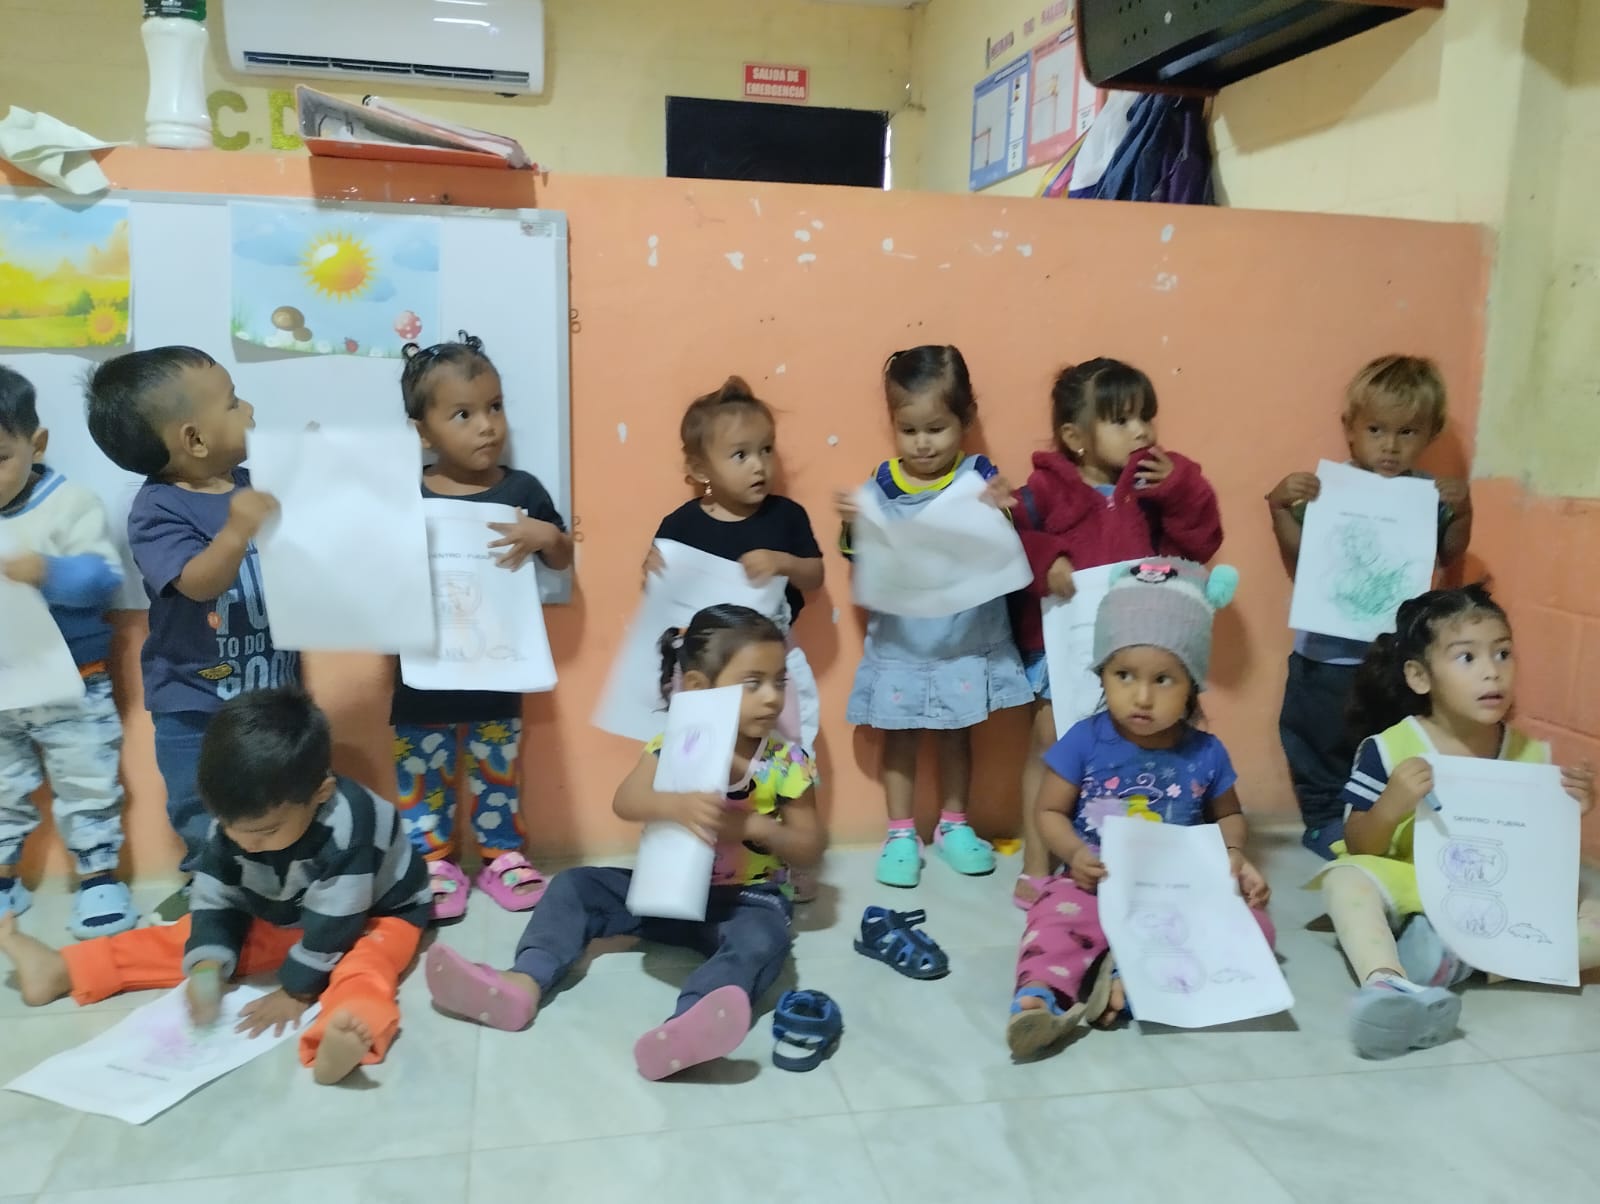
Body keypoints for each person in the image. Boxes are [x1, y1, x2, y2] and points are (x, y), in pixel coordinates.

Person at [423, 604, 825, 1080]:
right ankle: (523, 982)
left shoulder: (787, 762)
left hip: (748, 901)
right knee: (574, 885)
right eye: (753, 683)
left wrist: (755, 828)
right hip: (665, 893)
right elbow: (626, 800)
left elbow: (809, 847)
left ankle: (690, 1026)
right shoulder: (674, 744)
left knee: (763, 939)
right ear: (699, 688)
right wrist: (674, 805)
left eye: (779, 681)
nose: (773, 697)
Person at [0, 687, 433, 1085]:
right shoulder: (235, 821)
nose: (245, 843)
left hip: (376, 913)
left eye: (265, 832)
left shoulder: (350, 826)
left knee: (365, 964)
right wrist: (207, 968)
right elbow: (216, 896)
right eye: (229, 827)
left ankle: (348, 1029)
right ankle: (64, 969)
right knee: (184, 938)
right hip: (295, 912)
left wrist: (297, 992)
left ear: (321, 794)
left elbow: (337, 923)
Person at [1308, 585, 1598, 1060]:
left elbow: (1542, 861)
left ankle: (1463, 960)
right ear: (1419, 677)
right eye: (1467, 658)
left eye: (1503, 653)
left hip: (1500, 894)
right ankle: (1388, 982)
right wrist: (1392, 804)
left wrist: (1571, 809)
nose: (1492, 671)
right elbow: (1360, 845)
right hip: (1413, 881)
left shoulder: (1530, 754)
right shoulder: (1389, 749)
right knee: (1345, 878)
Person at [1008, 558, 1273, 1058]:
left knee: (1256, 926)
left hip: (1176, 889)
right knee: (1054, 918)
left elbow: (1229, 815)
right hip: (1093, 880)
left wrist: (1235, 856)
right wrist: (1074, 854)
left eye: (1164, 680)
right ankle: (1040, 997)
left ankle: (1131, 984)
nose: (1142, 696)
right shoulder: (1084, 740)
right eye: (1124, 675)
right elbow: (1049, 813)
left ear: (1192, 684)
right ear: (1102, 674)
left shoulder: (1206, 752)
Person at [85, 347, 298, 921]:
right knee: (201, 806)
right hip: (194, 703)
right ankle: (212, 890)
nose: (249, 410)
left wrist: (312, 468)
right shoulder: (157, 509)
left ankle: (280, 887)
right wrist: (236, 531)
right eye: (233, 402)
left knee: (284, 796)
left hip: (272, 695)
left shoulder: (254, 483)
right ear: (195, 439)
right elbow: (198, 583)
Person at [1009, 358, 1222, 910]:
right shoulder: (1045, 490)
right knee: (1053, 748)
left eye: (1146, 417)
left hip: (1139, 648)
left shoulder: (1160, 483)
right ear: (1075, 437)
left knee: (1140, 747)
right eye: (1122, 420)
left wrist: (1181, 489)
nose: (1142, 431)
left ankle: (1136, 852)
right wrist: (1046, 558)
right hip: (1062, 647)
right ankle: (1037, 863)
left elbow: (1201, 543)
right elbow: (1010, 545)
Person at [390, 332, 573, 921]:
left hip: (498, 665)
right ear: (423, 431)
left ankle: (502, 855)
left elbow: (562, 558)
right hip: (422, 670)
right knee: (422, 771)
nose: (487, 426)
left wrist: (547, 536)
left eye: (494, 407)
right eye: (463, 414)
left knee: (499, 770)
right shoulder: (404, 492)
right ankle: (431, 861)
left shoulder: (521, 490)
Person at [837, 345, 1030, 889]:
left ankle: (953, 824)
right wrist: (855, 524)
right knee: (900, 737)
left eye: (937, 428)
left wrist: (1004, 508)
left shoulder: (977, 477)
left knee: (956, 734)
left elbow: (1004, 545)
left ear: (965, 420)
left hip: (963, 636)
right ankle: (900, 833)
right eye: (909, 430)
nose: (922, 443)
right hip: (904, 639)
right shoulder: (883, 482)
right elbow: (858, 555)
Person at [1267, 355, 1470, 858]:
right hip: (1324, 654)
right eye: (1376, 429)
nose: (1390, 445)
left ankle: (1381, 824)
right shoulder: (1328, 491)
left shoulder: (1428, 496)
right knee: (1316, 738)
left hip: (1391, 658)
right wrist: (1279, 508)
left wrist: (1463, 511)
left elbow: (1450, 554)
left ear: (1430, 434)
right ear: (1350, 429)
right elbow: (1300, 557)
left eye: (1407, 432)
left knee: (1384, 742)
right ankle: (1322, 821)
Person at [0, 365, 133, 936]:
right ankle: (5, 880)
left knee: (88, 781)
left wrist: (46, 571)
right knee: (1, 788)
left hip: (73, 682)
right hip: (3, 686)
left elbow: (102, 579)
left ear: (37, 444)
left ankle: (99, 877)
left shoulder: (69, 503)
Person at [642, 375, 824, 752]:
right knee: (706, 758)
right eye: (741, 455)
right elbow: (661, 599)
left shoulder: (786, 516)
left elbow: (815, 575)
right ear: (700, 469)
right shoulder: (680, 526)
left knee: (784, 754)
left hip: (773, 665)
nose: (759, 465)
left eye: (767, 450)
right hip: (709, 671)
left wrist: (784, 562)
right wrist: (652, 571)